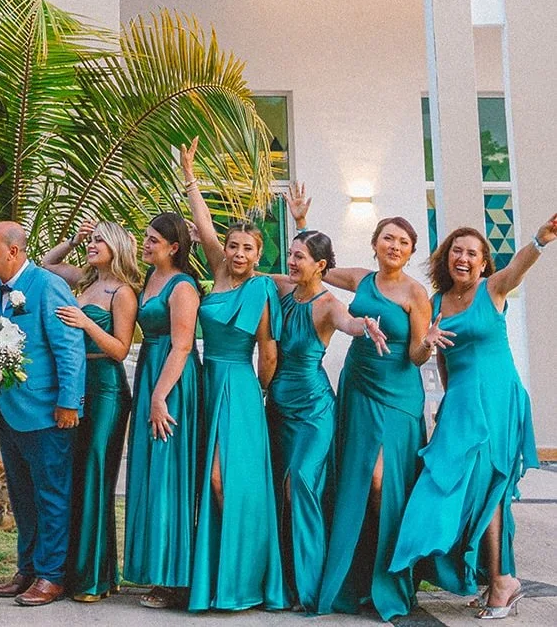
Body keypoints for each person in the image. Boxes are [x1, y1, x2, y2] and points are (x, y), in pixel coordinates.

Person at [391, 214, 557, 619]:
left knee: (489, 487)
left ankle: (501, 581)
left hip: (498, 400)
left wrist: (540, 239)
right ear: (445, 258)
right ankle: (492, 577)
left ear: (484, 263)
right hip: (461, 404)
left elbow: (517, 267)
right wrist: (433, 362)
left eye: (471, 253)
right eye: (456, 251)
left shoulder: (493, 289)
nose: (462, 258)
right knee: (443, 484)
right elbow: (437, 360)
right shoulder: (435, 304)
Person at [286, 187, 438, 622]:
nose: (394, 246)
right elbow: (318, 270)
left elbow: (413, 354)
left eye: (403, 242)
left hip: (398, 397)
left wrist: (426, 345)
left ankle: (391, 578)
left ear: (410, 252)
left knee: (382, 484)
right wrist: (300, 225)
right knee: (355, 483)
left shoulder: (416, 293)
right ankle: (354, 578)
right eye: (388, 238)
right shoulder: (360, 280)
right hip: (357, 388)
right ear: (375, 244)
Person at [179, 139, 286, 613]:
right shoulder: (216, 274)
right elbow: (202, 220)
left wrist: (260, 393)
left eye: (247, 247)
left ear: (259, 254)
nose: (239, 252)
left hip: (240, 387)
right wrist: (190, 176)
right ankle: (219, 577)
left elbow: (268, 350)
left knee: (229, 482)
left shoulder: (261, 288)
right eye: (233, 245)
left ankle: (247, 576)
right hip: (207, 382)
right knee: (208, 482)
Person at [266, 228, 389, 614]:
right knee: (277, 492)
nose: (291, 261)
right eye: (291, 254)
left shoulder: (329, 304)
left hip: (314, 410)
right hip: (278, 407)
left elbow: (350, 324)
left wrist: (365, 327)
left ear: (320, 265)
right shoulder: (284, 290)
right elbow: (241, 268)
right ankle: (284, 582)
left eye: (299, 256)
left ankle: (312, 587)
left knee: (301, 483)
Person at [0, 221, 86, 608]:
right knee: (23, 497)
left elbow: (69, 346)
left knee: (52, 496)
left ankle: (51, 575)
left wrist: (69, 402)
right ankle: (26, 569)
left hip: (48, 412)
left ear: (14, 251)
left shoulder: (48, 285)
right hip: (8, 412)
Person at [43, 219, 140, 602]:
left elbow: (119, 348)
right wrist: (73, 239)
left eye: (100, 240)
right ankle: (91, 571)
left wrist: (84, 321)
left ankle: (91, 579)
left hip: (107, 387)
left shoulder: (122, 292)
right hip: (77, 382)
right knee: (77, 476)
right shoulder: (84, 282)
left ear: (116, 246)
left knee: (96, 476)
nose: (92, 245)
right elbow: (46, 266)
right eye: (92, 239)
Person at [122, 211, 201, 611]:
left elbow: (183, 345)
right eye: (146, 237)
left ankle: (175, 579)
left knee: (170, 475)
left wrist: (158, 398)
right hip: (150, 373)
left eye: (153, 239)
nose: (146, 243)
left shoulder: (183, 286)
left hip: (172, 381)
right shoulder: (148, 278)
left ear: (173, 247)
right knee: (152, 473)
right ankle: (154, 570)